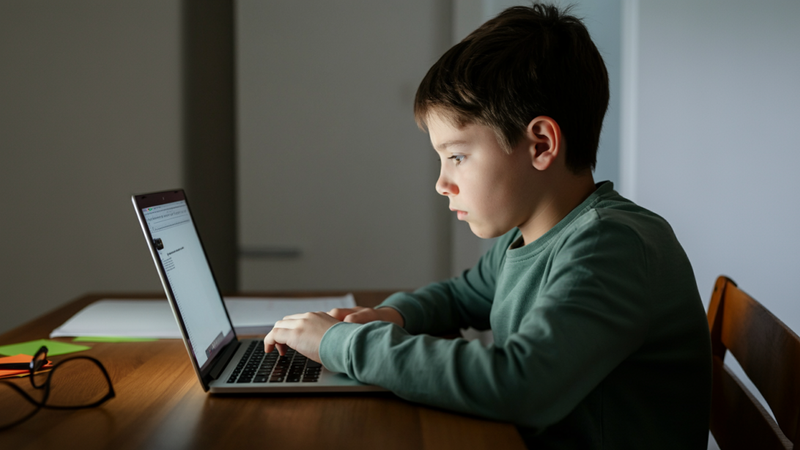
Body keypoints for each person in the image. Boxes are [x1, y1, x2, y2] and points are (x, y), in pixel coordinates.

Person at [264, 4, 711, 448]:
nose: (441, 183)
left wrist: (344, 344)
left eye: (457, 156)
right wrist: (393, 314)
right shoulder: (531, 233)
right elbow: (460, 297)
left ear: (540, 144)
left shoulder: (610, 246)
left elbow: (519, 384)